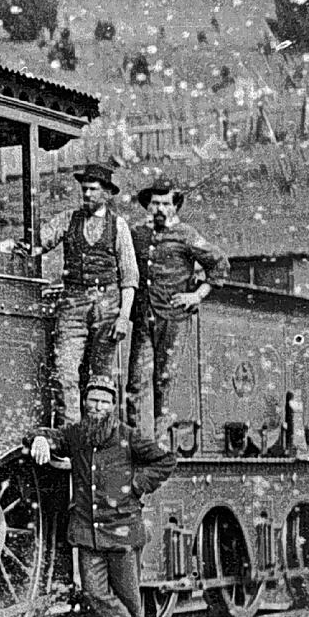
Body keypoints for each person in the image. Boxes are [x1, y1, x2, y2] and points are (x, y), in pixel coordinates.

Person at [26, 375, 175, 617]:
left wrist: (136, 486)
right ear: (85, 402)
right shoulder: (77, 435)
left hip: (122, 530)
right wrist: (39, 439)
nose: (97, 407)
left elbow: (166, 460)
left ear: (113, 406)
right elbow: (45, 435)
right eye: (93, 400)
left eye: (104, 402)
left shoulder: (129, 437)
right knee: (96, 594)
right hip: (88, 532)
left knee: (127, 600)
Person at [15, 162, 138, 426]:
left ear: (106, 193)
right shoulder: (68, 219)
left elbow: (129, 277)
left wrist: (123, 316)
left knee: (101, 377)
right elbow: (39, 243)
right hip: (73, 303)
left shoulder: (119, 226)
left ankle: (99, 437)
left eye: (93, 190)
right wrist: (20, 246)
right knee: (65, 373)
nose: (87, 195)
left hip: (108, 305)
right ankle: (70, 436)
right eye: (84, 189)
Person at [127, 180, 230, 439]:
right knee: (136, 381)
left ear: (175, 207)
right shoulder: (136, 233)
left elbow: (218, 262)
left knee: (164, 379)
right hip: (143, 317)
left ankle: (160, 441)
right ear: (147, 206)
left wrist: (197, 295)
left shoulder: (186, 234)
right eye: (155, 204)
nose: (159, 209)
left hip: (173, 318)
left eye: (165, 204)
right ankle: (137, 441)